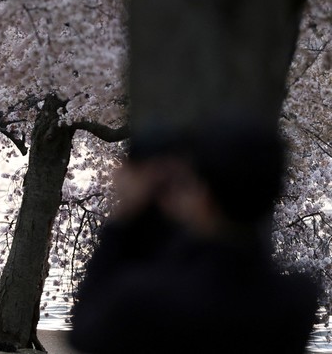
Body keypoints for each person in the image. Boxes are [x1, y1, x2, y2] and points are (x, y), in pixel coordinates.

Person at [69, 118, 319, 353]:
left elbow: (84, 332)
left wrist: (124, 220)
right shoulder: (296, 300)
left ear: (205, 197)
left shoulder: (146, 299)